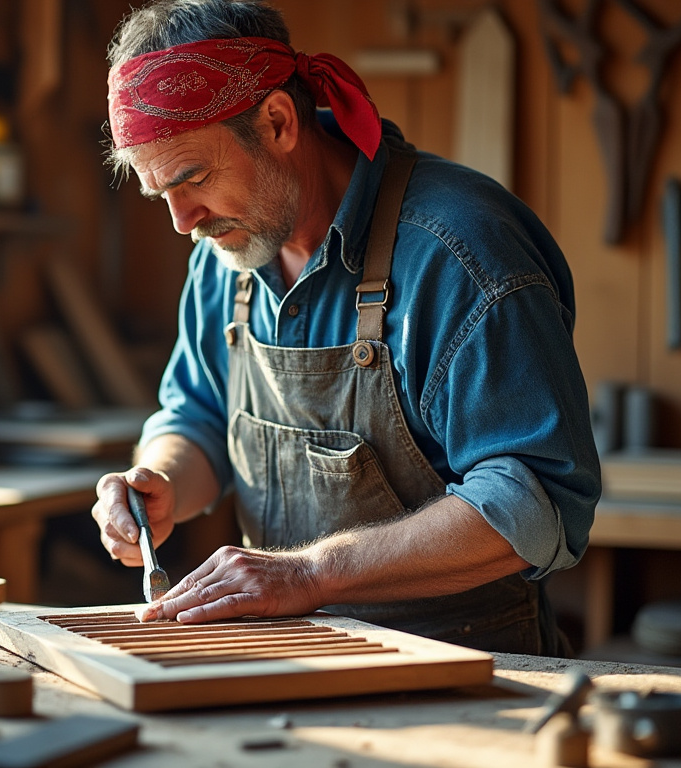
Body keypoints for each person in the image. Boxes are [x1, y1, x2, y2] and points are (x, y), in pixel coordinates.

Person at [91, 0, 600, 655]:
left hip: (464, 675)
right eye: (160, 193)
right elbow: (196, 414)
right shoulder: (228, 250)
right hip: (282, 661)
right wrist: (156, 482)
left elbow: (533, 503)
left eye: (192, 179)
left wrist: (310, 573)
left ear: (276, 122)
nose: (181, 222)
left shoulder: (461, 253)